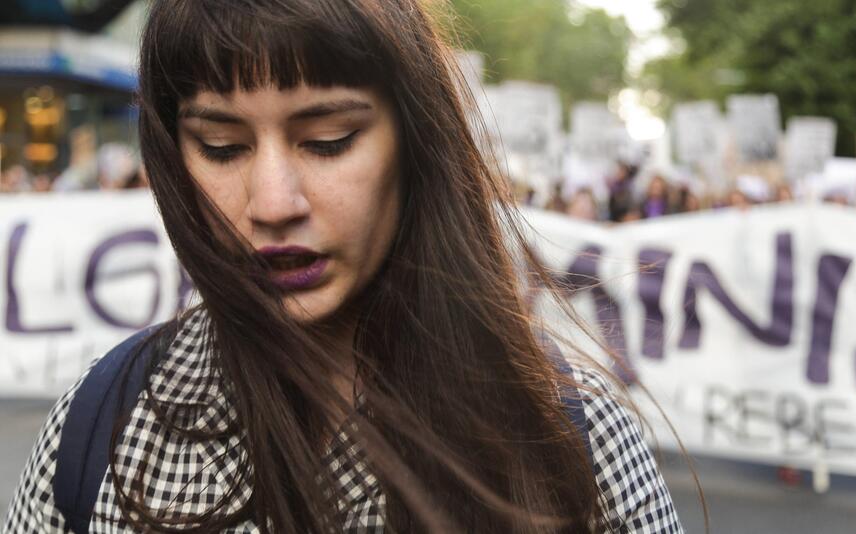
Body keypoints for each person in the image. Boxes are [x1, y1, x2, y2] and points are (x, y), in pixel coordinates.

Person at [4, 1, 682, 532]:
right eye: (221, 145)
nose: (273, 203)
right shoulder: (102, 426)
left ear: (415, 142)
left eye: (328, 141)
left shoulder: (577, 440)